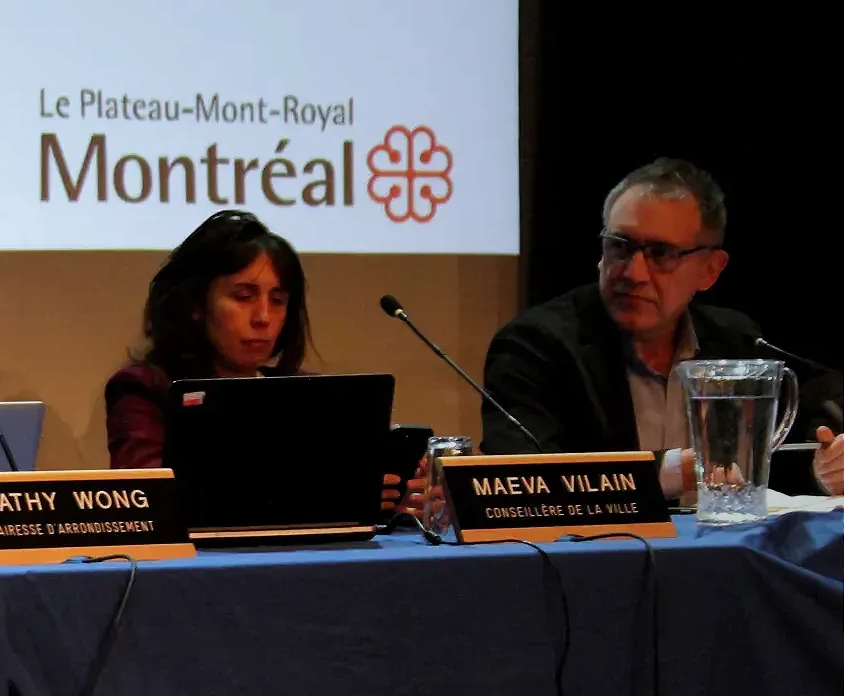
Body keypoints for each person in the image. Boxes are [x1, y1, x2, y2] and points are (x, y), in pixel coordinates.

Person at [482, 157, 842, 497]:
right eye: (620, 246)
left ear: (710, 270)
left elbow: (773, 467)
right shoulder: (536, 346)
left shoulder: (736, 341)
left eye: (661, 254)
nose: (632, 273)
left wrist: (821, 471)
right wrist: (681, 470)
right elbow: (520, 480)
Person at [105, 209, 424, 510]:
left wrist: (398, 497)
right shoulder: (144, 389)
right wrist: (317, 494)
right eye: (243, 297)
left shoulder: (309, 393)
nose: (263, 317)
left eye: (278, 301)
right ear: (196, 306)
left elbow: (352, 501)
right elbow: (145, 499)